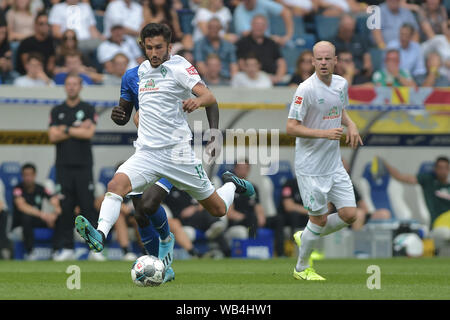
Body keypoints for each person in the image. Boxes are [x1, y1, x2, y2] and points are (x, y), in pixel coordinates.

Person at [74, 23, 255, 277]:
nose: (154, 52)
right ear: (143, 47)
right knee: (116, 186)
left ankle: (232, 185)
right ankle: (100, 234)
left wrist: (199, 104)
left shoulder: (179, 68)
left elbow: (209, 97)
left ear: (169, 46)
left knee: (217, 209)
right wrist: (119, 116)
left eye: (159, 47)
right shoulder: (137, 74)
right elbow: (125, 114)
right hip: (146, 153)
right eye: (149, 48)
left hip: (177, 154)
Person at [286, 41, 363, 280]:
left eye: (327, 59)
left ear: (335, 61)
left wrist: (351, 124)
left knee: (350, 214)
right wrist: (325, 133)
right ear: (312, 62)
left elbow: (339, 110)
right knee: (318, 219)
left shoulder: (341, 83)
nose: (323, 63)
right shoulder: (305, 89)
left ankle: (308, 234)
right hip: (311, 167)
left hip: (333, 164)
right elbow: (291, 127)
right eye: (318, 59)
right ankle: (301, 269)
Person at [47, 73, 100, 261]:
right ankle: (67, 248)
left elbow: (89, 134)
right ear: (65, 87)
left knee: (87, 208)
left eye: (74, 84)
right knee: (66, 208)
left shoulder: (87, 108)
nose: (71, 87)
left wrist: (65, 129)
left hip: (84, 166)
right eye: (68, 84)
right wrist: (77, 128)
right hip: (63, 167)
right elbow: (52, 136)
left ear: (80, 87)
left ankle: (94, 249)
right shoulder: (56, 110)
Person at [382, 156, 450, 254]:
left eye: (445, 168)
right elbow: (400, 177)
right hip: (439, 225)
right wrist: (386, 164)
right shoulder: (428, 180)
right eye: (439, 168)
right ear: (435, 169)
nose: (442, 171)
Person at [12, 163, 61, 260]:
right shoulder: (18, 189)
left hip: (37, 220)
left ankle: (57, 251)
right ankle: (30, 252)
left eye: (30, 175)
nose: (28, 178)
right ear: (22, 176)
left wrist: (54, 215)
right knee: (27, 217)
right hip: (21, 222)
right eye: (25, 175)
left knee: (59, 219)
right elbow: (21, 206)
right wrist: (42, 214)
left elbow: (54, 201)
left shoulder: (40, 188)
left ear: (34, 175)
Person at [164, 187, 230, 257]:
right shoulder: (168, 190)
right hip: (181, 219)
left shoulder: (188, 188)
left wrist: (194, 208)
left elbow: (201, 203)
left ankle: (224, 249)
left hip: (197, 217)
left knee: (208, 213)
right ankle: (226, 251)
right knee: (212, 222)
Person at [235, 15, 287, 85]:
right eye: (257, 24)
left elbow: (281, 62)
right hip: (249, 79)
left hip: (271, 79)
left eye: (262, 25)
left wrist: (278, 77)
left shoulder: (272, 43)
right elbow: (240, 63)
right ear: (251, 25)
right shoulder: (242, 42)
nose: (259, 27)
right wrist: (259, 76)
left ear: (266, 27)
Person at [224, 162, 266, 245]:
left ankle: (281, 253)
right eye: (240, 168)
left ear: (249, 170)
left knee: (278, 220)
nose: (243, 171)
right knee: (252, 217)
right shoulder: (229, 187)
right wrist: (246, 217)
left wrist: (261, 217)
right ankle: (252, 245)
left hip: (252, 219)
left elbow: (258, 207)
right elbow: (229, 213)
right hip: (236, 221)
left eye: (245, 168)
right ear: (235, 169)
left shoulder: (253, 188)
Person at [15, 11, 55, 76]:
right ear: (35, 25)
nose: (45, 26)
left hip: (44, 77)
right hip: (27, 77)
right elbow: (26, 66)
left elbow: (50, 66)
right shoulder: (26, 42)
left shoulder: (51, 42)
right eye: (41, 24)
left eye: (47, 24)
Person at [333, 14, 372, 78]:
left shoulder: (361, 40)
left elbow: (368, 63)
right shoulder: (331, 43)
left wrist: (360, 71)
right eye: (345, 26)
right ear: (340, 26)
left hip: (360, 75)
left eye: (351, 26)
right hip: (339, 76)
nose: (348, 28)